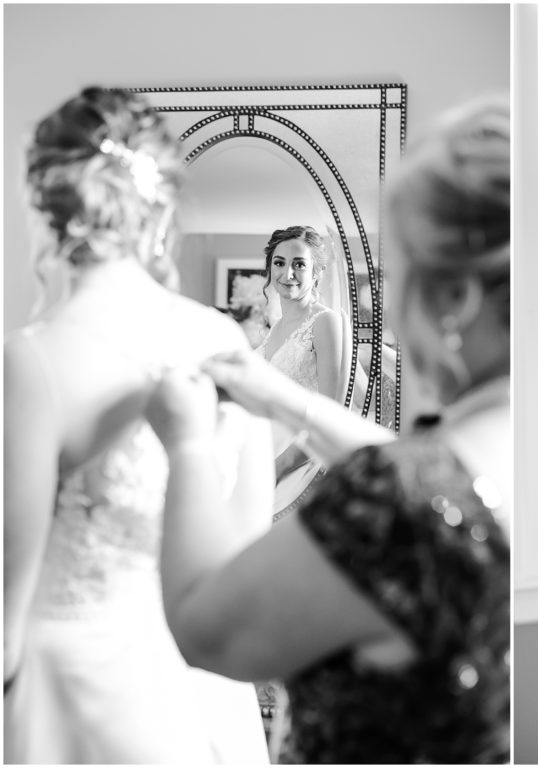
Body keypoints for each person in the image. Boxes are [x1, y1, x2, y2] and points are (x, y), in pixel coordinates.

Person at [143, 96, 511, 764]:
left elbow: (205, 632)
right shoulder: (503, 455)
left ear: (454, 301)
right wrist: (285, 404)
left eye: (396, 277)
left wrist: (188, 444)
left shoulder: (394, 503)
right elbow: (412, 467)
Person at [3, 87, 269, 763]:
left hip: (80, 691)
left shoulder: (33, 359)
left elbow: (8, 607)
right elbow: (246, 545)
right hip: (206, 688)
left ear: (44, 205)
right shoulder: (225, 340)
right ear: (160, 203)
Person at [256, 225, 364, 524]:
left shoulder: (325, 322)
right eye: (279, 263)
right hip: (264, 452)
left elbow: (331, 412)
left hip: (299, 461)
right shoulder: (274, 328)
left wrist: (277, 468)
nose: (287, 273)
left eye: (299, 264)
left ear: (316, 272)